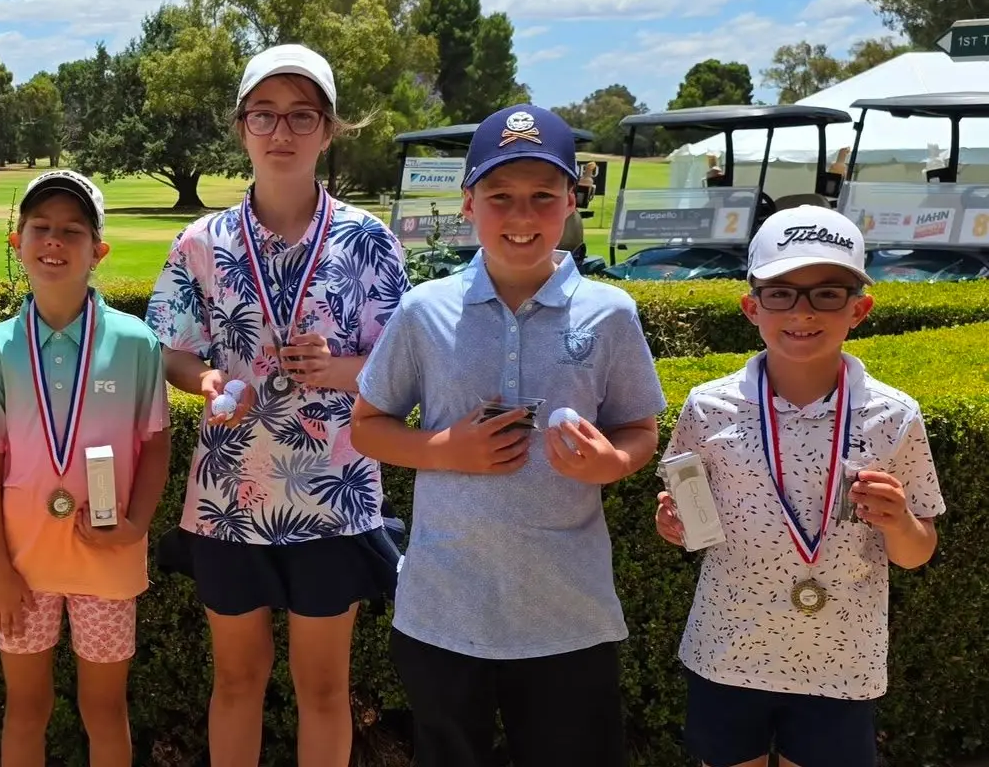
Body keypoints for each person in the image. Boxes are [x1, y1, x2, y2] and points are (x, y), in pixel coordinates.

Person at [351, 105, 666, 767]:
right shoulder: (423, 311)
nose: (521, 217)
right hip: (442, 611)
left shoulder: (609, 314)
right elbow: (367, 428)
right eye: (499, 197)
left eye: (541, 197)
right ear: (468, 203)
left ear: (571, 201)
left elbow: (640, 429)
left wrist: (611, 461)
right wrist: (443, 451)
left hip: (568, 618)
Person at [145, 43, 409, 767]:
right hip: (229, 498)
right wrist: (202, 383)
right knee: (236, 681)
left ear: (327, 130)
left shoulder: (367, 242)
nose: (281, 132)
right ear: (241, 128)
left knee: (323, 688)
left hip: (334, 497)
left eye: (301, 116)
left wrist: (340, 367)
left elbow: (405, 366)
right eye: (264, 115)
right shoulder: (201, 242)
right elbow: (170, 347)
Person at [655, 206, 943, 767]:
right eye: (781, 293)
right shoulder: (708, 408)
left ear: (859, 308)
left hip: (841, 658)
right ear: (751, 306)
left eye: (827, 294)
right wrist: (672, 523)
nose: (803, 312)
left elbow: (916, 551)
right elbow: (685, 515)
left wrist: (899, 522)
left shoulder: (894, 416)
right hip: (728, 645)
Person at [0, 169, 172, 767]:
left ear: (97, 251)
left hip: (107, 561)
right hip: (23, 569)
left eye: (72, 231)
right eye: (41, 228)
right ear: (17, 241)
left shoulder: (136, 342)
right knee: (25, 710)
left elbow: (155, 444)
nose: (54, 241)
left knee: (104, 711)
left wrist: (136, 525)